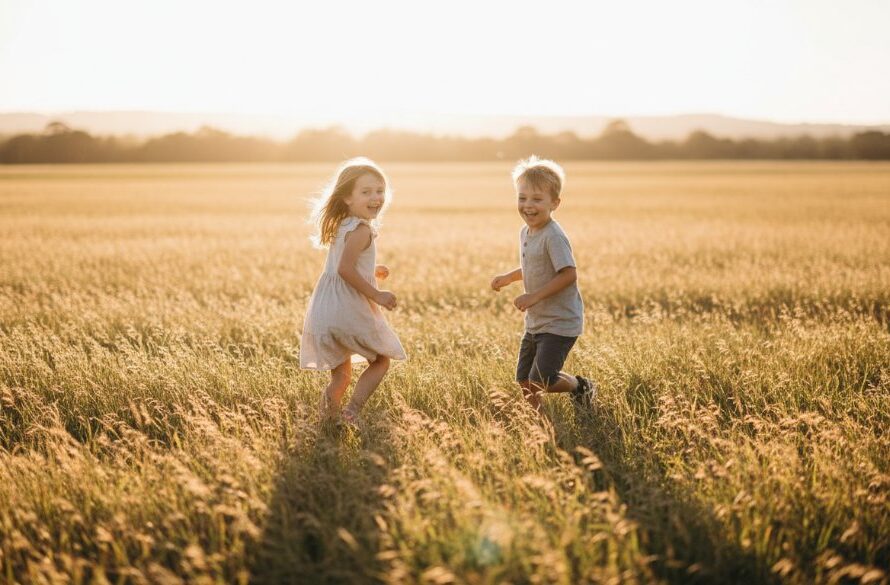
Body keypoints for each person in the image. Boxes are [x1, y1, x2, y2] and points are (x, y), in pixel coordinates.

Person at [300, 158, 406, 426]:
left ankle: (327, 421)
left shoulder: (343, 225)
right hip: (348, 307)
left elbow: (346, 263)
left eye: (380, 191)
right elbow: (346, 270)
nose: (376, 198)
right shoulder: (361, 230)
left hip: (325, 309)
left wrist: (372, 269)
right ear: (347, 197)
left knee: (341, 376)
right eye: (366, 192)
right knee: (381, 360)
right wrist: (377, 294)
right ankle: (353, 409)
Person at [491, 156, 595, 411]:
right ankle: (536, 423)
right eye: (522, 198)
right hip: (536, 322)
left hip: (559, 322)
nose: (528, 205)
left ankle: (581, 386)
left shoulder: (553, 236)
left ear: (554, 203)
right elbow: (534, 267)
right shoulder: (526, 232)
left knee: (543, 380)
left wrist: (533, 297)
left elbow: (568, 274)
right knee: (525, 380)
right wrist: (508, 278)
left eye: (537, 199)